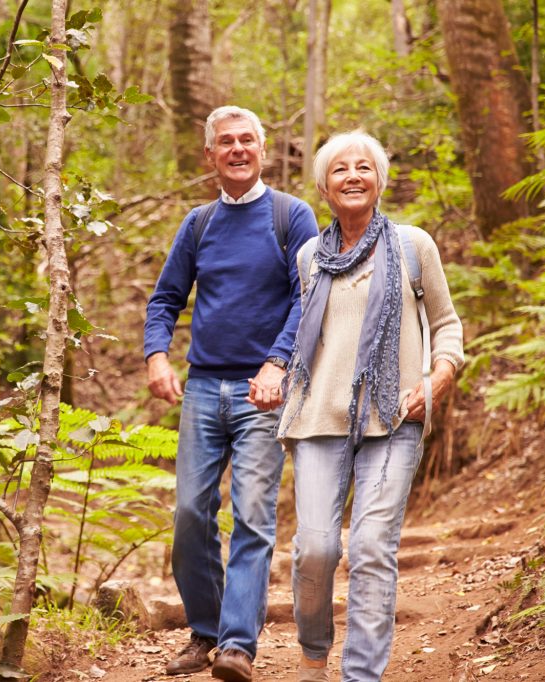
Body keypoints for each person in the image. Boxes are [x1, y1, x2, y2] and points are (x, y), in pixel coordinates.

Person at [277, 130, 464, 681]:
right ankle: (314, 655)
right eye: (340, 169)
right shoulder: (311, 254)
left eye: (364, 167)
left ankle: (362, 675)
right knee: (314, 549)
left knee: (372, 547)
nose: (353, 176)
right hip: (317, 418)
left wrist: (440, 375)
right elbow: (306, 334)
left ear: (380, 180)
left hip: (393, 417)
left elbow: (448, 325)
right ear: (323, 187)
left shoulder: (412, 246)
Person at [144, 105, 318, 682]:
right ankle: (206, 631)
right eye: (227, 142)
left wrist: (277, 363)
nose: (238, 149)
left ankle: (238, 644)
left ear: (262, 149)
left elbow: (308, 297)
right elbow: (165, 299)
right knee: (191, 513)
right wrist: (156, 357)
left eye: (248, 140)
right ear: (210, 154)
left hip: (262, 392)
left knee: (254, 515)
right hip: (201, 389)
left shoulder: (291, 216)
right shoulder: (198, 223)